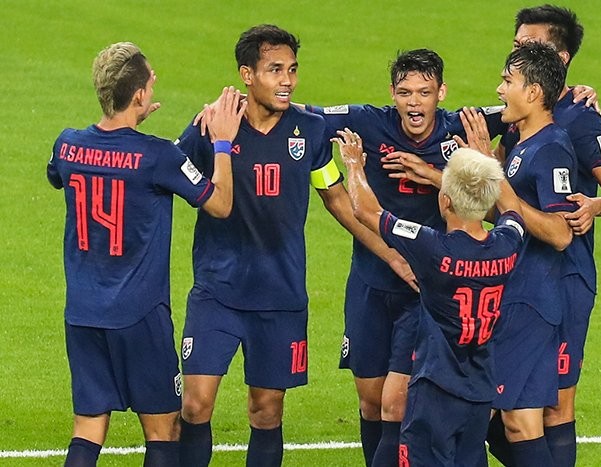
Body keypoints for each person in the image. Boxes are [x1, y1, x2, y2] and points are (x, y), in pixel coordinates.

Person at [175, 24, 408, 467]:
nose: (287, 81)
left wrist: (391, 254)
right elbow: (169, 172)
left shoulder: (310, 132)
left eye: (293, 70)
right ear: (247, 74)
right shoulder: (213, 127)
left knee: (266, 411)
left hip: (279, 296)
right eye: (275, 70)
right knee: (195, 404)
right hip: (217, 291)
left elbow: (336, 198)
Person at [305, 49, 508, 467]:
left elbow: (524, 108)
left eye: (424, 92)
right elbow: (303, 117)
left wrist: (575, 94)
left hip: (422, 292)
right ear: (392, 93)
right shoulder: (366, 122)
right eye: (405, 93)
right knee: (370, 401)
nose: (415, 103)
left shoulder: (460, 126)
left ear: (441, 93)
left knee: (395, 404)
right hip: (369, 282)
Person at [47, 42, 244, 467]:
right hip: (139, 316)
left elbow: (63, 173)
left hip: (82, 314)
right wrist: (223, 144)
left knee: (88, 427)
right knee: (163, 431)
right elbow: (220, 203)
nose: (153, 86)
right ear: (138, 94)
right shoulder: (157, 155)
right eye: (149, 83)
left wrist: (131, 126)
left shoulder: (67, 146)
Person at [485, 6, 601, 466]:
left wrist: (595, 206)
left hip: (565, 276)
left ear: (561, 57)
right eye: (517, 45)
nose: (520, 51)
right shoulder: (517, 115)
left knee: (555, 405)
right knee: (510, 406)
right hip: (522, 272)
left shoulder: (581, 117)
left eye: (532, 45)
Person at [335, 123, 526, 466]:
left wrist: (354, 165)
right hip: (481, 391)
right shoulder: (507, 243)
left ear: (445, 199)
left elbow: (366, 211)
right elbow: (513, 211)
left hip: (436, 390)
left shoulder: (432, 248)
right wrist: (487, 163)